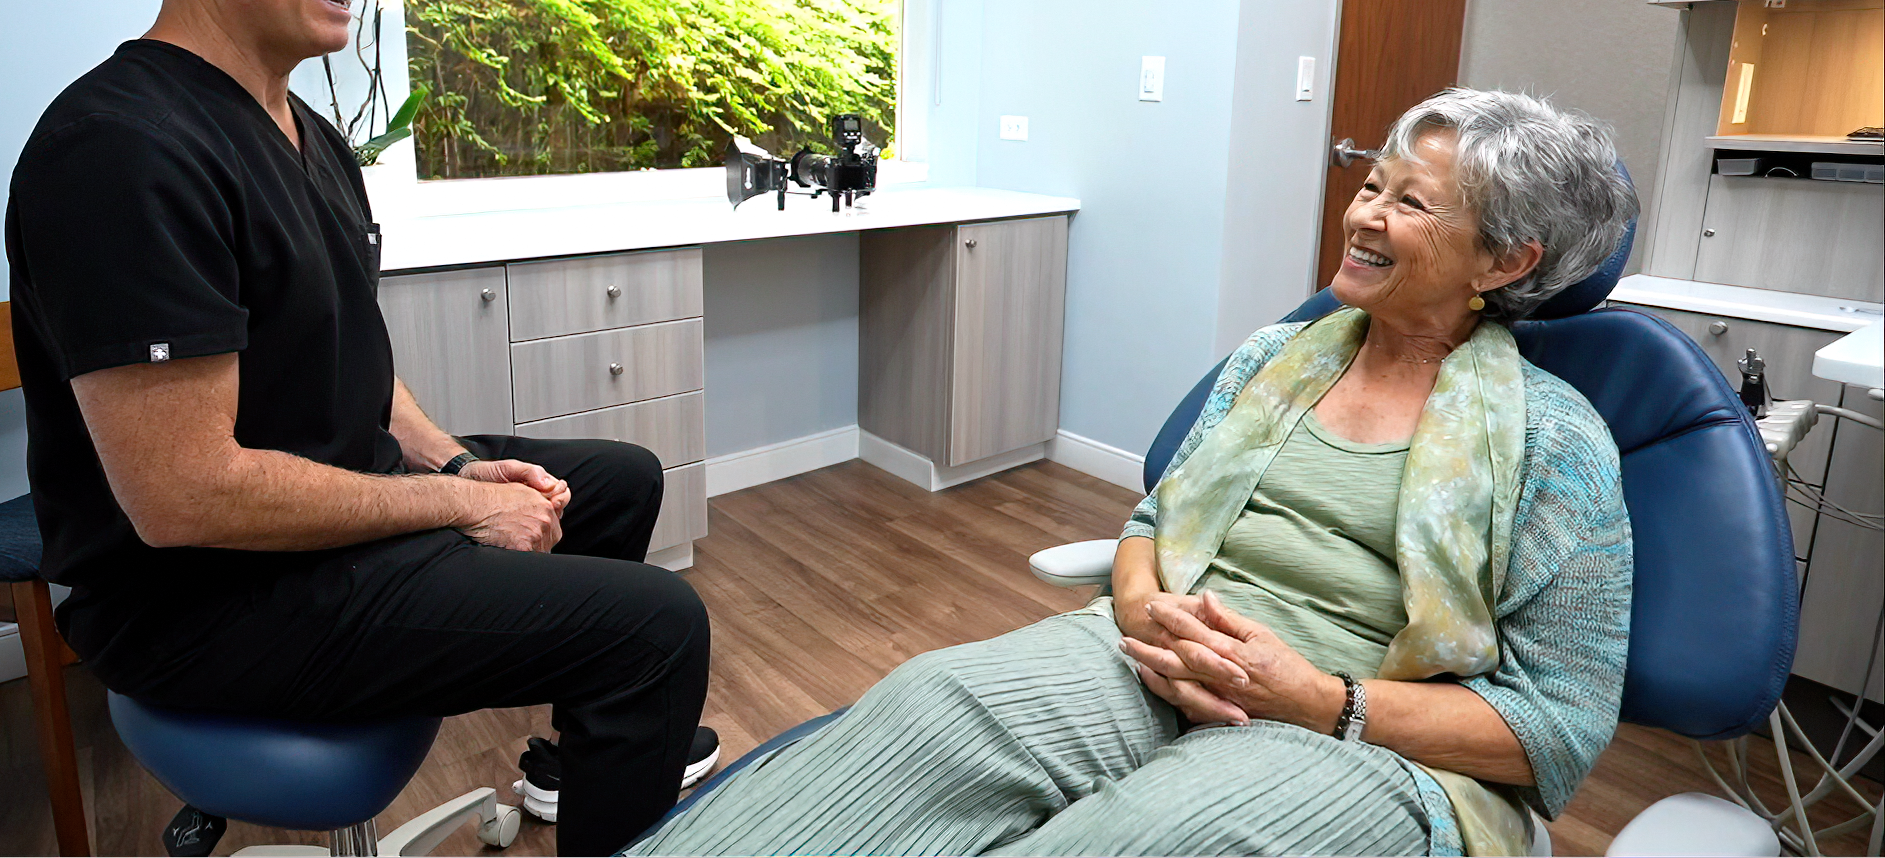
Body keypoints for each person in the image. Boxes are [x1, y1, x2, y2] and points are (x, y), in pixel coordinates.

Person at [628, 88, 1641, 858]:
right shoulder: (1275, 360)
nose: (1362, 214)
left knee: (1142, 834)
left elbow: (1553, 727)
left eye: (1408, 203)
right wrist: (1138, 601)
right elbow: (1156, 513)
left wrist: (1316, 697)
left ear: (1504, 262)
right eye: (1369, 183)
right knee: (929, 707)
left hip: (1365, 731)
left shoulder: (1553, 442)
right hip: (1162, 649)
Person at [5, 0, 713, 857]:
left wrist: (452, 467)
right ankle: (620, 714)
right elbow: (183, 497)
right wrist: (443, 509)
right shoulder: (122, 152)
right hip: (197, 600)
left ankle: (582, 763)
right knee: (657, 627)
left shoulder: (308, 134)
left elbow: (353, 358)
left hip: (308, 520)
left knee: (615, 476)